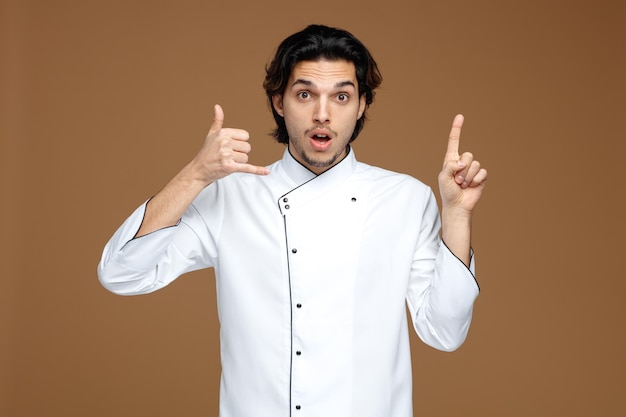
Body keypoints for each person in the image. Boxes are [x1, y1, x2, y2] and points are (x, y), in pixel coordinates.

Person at [98, 24, 487, 417]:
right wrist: (195, 174)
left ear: (362, 104)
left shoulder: (405, 199)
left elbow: (445, 332)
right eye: (305, 94)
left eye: (341, 96)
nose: (322, 114)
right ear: (279, 102)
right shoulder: (232, 196)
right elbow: (121, 273)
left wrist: (456, 215)